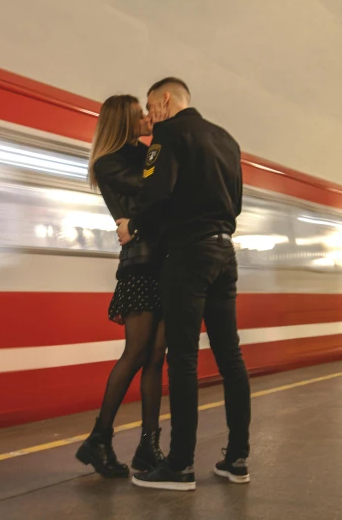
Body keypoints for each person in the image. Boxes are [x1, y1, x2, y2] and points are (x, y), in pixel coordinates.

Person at [116, 78, 252, 491]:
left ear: (165, 100)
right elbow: (239, 203)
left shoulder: (168, 134)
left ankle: (179, 465)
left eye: (151, 106)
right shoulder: (227, 140)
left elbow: (157, 192)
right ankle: (237, 458)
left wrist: (132, 225)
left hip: (188, 254)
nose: (150, 115)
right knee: (231, 358)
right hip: (224, 253)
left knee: (184, 359)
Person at [75, 95, 167, 478]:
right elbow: (152, 189)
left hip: (163, 262)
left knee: (156, 358)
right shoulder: (110, 162)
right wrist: (162, 135)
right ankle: (99, 437)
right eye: (140, 114)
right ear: (124, 121)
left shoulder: (142, 153)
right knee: (136, 352)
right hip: (140, 265)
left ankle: (149, 446)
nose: (147, 117)